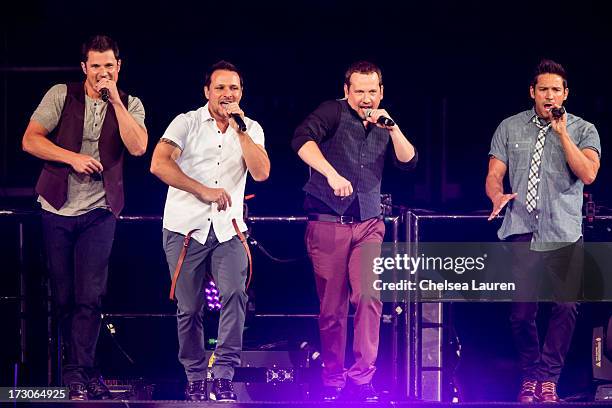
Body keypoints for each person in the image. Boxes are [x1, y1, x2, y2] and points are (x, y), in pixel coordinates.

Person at [21, 35, 147, 400]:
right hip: (57, 208)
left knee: (90, 296)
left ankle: (82, 374)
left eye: (109, 66)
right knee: (64, 297)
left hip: (100, 211)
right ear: (84, 68)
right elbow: (30, 140)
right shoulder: (62, 94)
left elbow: (138, 147)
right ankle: (76, 371)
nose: (102, 73)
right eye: (95, 66)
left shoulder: (132, 103)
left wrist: (117, 102)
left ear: (118, 67)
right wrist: (71, 157)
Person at [291, 61, 417, 401]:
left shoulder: (383, 121)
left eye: (372, 91)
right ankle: (333, 378)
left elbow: (409, 161)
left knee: (369, 296)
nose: (366, 98)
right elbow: (301, 140)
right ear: (347, 91)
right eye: (359, 91)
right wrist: (331, 174)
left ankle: (362, 377)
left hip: (369, 225)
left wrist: (392, 129)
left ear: (381, 92)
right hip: (329, 222)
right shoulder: (332, 112)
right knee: (332, 308)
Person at [150, 60, 270, 402]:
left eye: (233, 88)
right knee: (189, 307)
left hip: (228, 230)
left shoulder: (252, 128)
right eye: (220, 88)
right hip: (185, 228)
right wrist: (200, 189)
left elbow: (261, 173)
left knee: (235, 294)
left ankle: (223, 374)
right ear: (207, 92)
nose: (227, 95)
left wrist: (241, 130)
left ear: (241, 92)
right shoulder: (186, 123)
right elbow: (159, 163)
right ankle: (195, 375)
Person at [486, 59, 601, 403]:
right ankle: (531, 374)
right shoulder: (509, 127)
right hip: (522, 228)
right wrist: (496, 195)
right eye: (543, 90)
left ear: (566, 93)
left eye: (556, 90)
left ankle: (549, 378)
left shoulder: (583, 129)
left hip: (563, 230)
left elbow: (588, 174)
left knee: (566, 307)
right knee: (521, 313)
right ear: (532, 92)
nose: (549, 95)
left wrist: (562, 133)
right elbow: (494, 173)